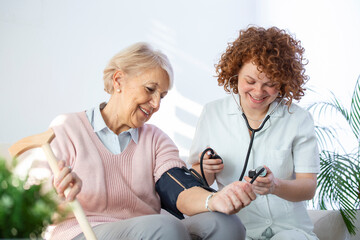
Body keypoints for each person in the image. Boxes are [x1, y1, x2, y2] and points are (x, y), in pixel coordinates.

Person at [46, 42, 256, 240]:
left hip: (148, 228)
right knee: (166, 228)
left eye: (162, 96)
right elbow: (36, 201)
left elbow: (177, 187)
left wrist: (213, 200)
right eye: (149, 89)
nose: (156, 104)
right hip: (85, 231)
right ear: (118, 80)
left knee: (226, 224)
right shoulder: (68, 127)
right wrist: (59, 192)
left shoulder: (155, 139)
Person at [188, 26, 320, 240]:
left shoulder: (298, 119)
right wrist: (206, 169)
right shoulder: (213, 113)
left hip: (290, 231)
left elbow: (308, 186)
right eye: (250, 81)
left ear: (283, 82)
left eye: (270, 84)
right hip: (237, 229)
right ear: (235, 72)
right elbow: (196, 180)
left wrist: (275, 185)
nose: (258, 92)